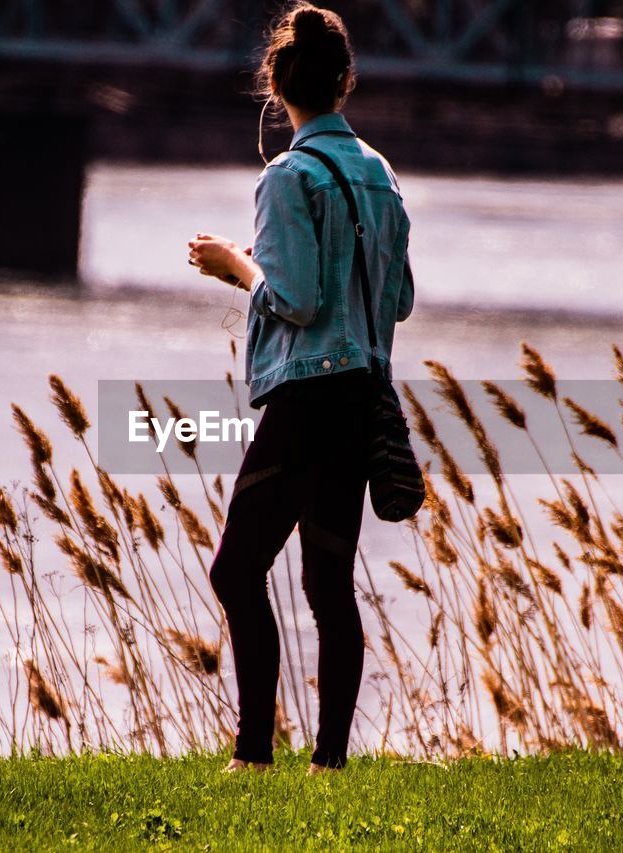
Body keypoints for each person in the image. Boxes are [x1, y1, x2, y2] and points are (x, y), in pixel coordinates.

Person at [186, 2, 414, 775]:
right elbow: (399, 298)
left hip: (305, 397)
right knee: (327, 581)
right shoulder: (380, 174)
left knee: (235, 570)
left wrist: (237, 267)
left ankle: (252, 756)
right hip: (360, 396)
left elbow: (298, 300)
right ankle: (329, 764)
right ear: (346, 81)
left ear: (276, 82)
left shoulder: (287, 175)